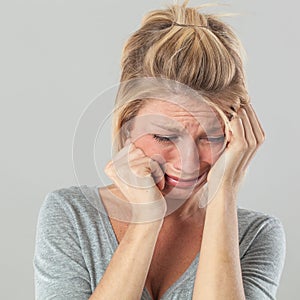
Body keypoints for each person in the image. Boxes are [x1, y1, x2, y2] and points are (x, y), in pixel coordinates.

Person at [33, 1, 286, 299]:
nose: (188, 164)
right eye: (165, 137)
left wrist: (224, 192)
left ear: (237, 137)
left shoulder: (255, 235)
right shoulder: (72, 215)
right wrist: (147, 218)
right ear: (128, 127)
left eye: (211, 138)